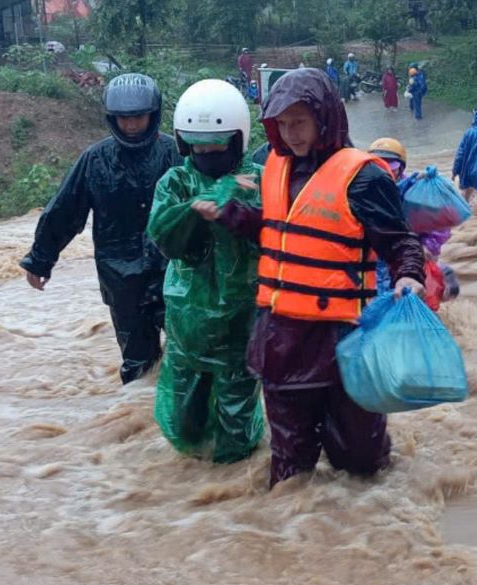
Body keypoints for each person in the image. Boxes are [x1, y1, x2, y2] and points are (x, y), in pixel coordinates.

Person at [199, 68, 426, 489]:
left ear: (324, 117)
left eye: (298, 122)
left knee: (360, 461)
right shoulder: (275, 168)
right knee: (289, 465)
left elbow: (400, 242)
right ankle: (289, 537)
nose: (290, 134)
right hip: (282, 340)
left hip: (343, 340)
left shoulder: (364, 177)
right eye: (281, 125)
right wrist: (233, 216)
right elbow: (280, 231)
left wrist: (409, 275)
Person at [20, 73, 179, 384]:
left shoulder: (175, 154)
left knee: (187, 355)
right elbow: (64, 211)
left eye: (138, 117)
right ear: (112, 118)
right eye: (123, 118)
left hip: (173, 274)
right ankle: (135, 422)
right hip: (121, 281)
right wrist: (41, 259)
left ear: (154, 114)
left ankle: (177, 427)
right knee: (138, 365)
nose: (131, 125)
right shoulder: (95, 160)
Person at [144, 80, 264, 463]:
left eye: (216, 144)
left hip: (240, 322)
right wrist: (196, 206)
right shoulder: (176, 182)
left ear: (237, 140)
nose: (207, 152)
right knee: (185, 423)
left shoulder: (258, 179)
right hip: (188, 323)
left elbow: (276, 231)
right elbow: (163, 235)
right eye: (198, 145)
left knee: (237, 428)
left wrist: (233, 200)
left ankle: (233, 492)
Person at [368, 137, 458, 309]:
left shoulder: (416, 192)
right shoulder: (364, 192)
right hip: (379, 261)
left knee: (431, 292)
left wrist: (426, 246)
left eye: (390, 168)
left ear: (400, 168)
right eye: (379, 167)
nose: (385, 173)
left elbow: (439, 227)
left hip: (413, 256)